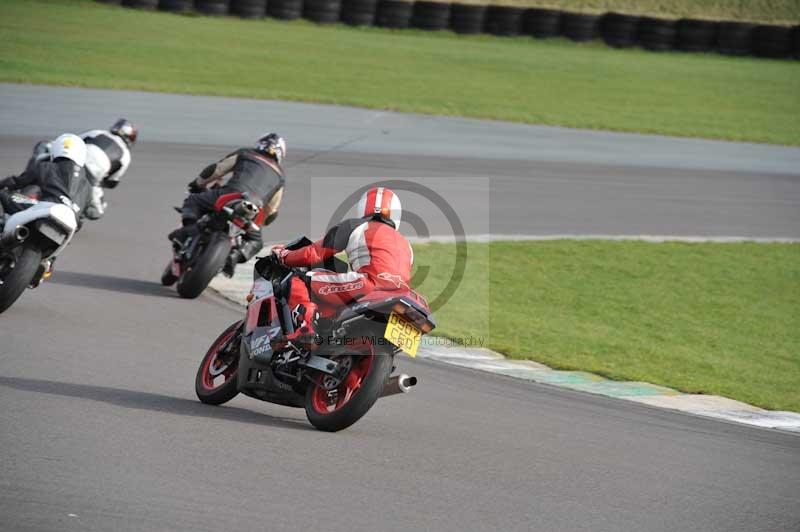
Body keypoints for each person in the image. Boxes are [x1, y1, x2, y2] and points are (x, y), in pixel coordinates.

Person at [271, 186, 413, 351]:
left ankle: (306, 330)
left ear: (364, 207)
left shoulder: (355, 226)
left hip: (368, 285)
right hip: (402, 296)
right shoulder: (407, 245)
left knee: (300, 279)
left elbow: (313, 254)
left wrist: (284, 255)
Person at [169, 133, 286, 270]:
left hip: (230, 194)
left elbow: (216, 170)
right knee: (256, 241)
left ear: (261, 144)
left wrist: (197, 184)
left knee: (193, 199)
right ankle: (234, 256)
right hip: (254, 208)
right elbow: (272, 210)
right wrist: (262, 222)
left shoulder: (246, 153)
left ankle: (187, 231)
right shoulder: (280, 176)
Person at [0, 133, 89, 221]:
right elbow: (88, 215)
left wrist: (2, 185)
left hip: (48, 208)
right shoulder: (87, 185)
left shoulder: (46, 167)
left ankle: (5, 224)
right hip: (71, 220)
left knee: (3, 194)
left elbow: (17, 182)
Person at [80, 119, 137, 220]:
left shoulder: (97, 133)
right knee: (98, 211)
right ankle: (77, 215)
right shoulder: (125, 155)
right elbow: (113, 179)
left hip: (73, 161)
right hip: (92, 177)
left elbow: (74, 140)